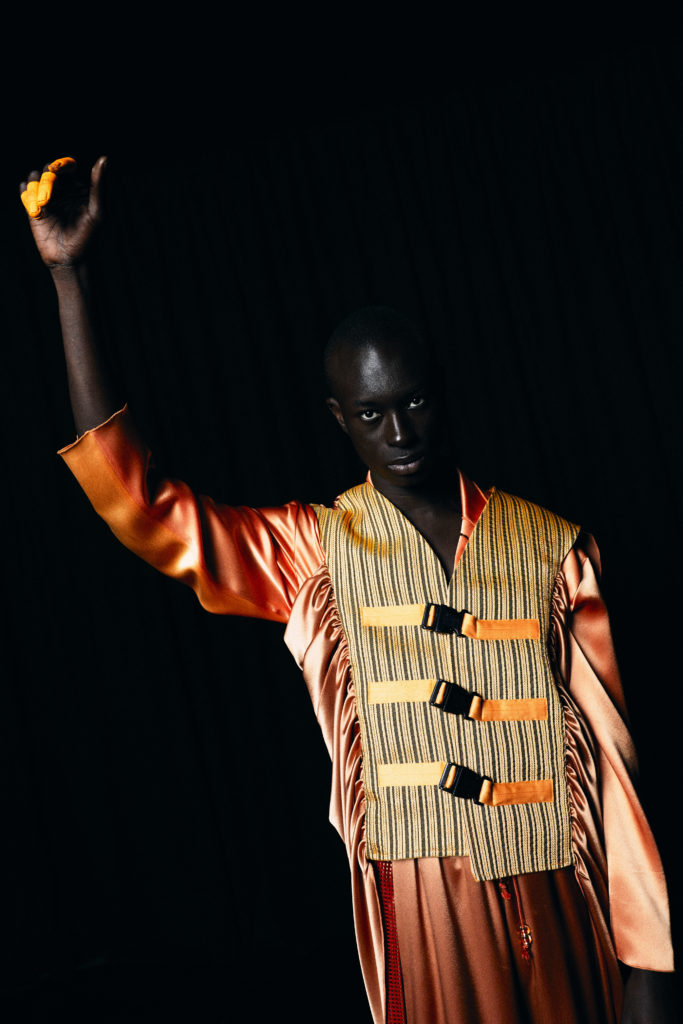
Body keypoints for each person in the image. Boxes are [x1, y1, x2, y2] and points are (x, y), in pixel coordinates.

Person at [19, 156, 677, 1023]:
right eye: (371, 414)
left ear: (442, 395)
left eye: (414, 403)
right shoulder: (312, 550)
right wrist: (70, 281)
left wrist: (651, 963)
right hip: (426, 904)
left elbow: (614, 768)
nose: (399, 432)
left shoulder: (555, 549)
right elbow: (145, 508)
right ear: (340, 418)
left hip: (561, 891)